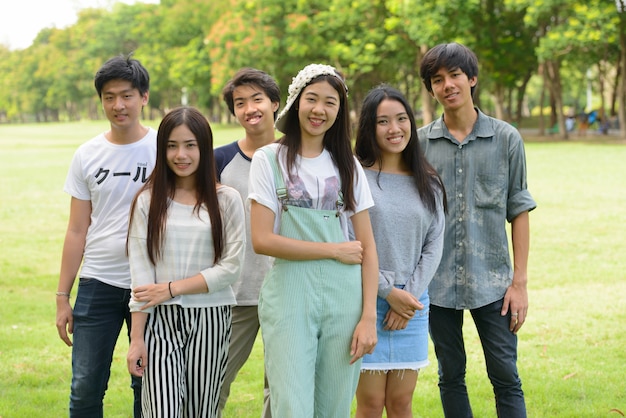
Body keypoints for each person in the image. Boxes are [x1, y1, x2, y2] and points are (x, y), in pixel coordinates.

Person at [248, 63, 378, 417]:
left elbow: (368, 248)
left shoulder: (347, 166)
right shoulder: (268, 159)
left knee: (335, 405)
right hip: (289, 296)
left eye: (330, 103)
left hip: (344, 300)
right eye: (312, 99)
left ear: (340, 111)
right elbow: (262, 240)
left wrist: (368, 318)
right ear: (295, 103)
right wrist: (334, 250)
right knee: (291, 404)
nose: (320, 110)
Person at [417, 42, 537, 418]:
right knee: (450, 374)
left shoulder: (506, 139)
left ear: (472, 79)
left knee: (505, 376)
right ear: (431, 89)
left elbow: (518, 209)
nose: (447, 85)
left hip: (494, 285)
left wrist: (519, 283)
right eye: (438, 79)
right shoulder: (418, 144)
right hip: (435, 284)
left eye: (454, 75)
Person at [126, 106, 245, 417]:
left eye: (190, 145)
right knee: (162, 411)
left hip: (211, 316)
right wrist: (136, 339)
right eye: (172, 146)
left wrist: (171, 288)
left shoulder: (227, 200)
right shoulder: (147, 201)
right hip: (160, 322)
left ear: (204, 148)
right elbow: (140, 275)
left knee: (202, 411)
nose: (181, 154)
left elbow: (231, 267)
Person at [55, 53, 155, 418]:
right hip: (98, 282)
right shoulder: (87, 154)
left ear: (144, 97)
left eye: (127, 95)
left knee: (149, 389)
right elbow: (77, 228)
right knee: (84, 388)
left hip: (153, 285)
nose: (118, 105)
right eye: (109, 96)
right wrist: (63, 296)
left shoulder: (166, 148)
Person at [353, 85, 446, 418]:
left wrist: (406, 297)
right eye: (383, 122)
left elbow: (435, 243)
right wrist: (387, 292)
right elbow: (351, 241)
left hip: (412, 306)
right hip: (365, 305)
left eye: (401, 119)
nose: (394, 129)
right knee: (371, 404)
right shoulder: (355, 177)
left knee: (401, 404)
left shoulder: (428, 181)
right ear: (369, 127)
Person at [214, 67, 280, 418]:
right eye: (240, 103)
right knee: (213, 380)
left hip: (286, 291)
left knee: (281, 387)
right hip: (235, 292)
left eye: (257, 99)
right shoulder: (219, 160)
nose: (250, 108)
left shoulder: (297, 153)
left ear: (275, 103)